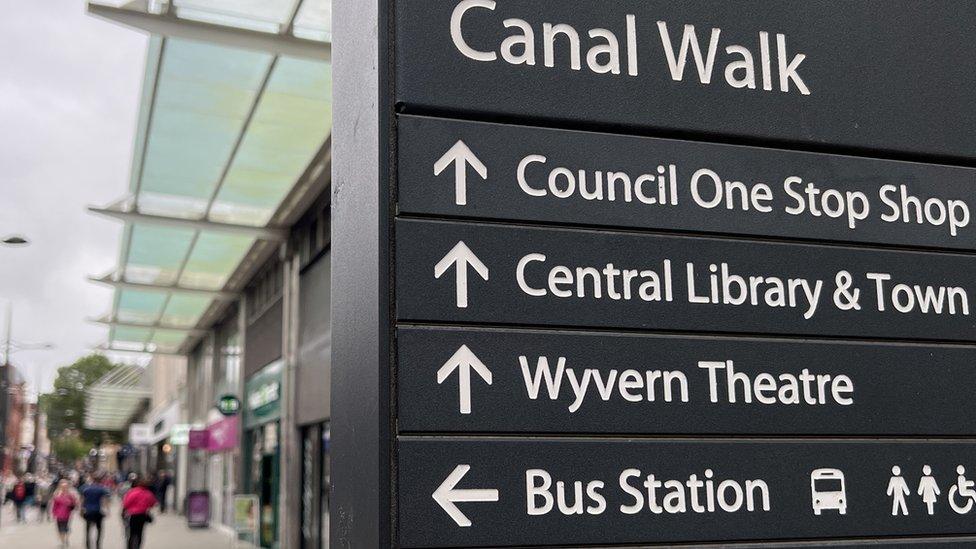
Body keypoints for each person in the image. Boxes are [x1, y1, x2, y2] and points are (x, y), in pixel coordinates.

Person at [122, 478, 157, 549]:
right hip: (142, 515)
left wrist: (124, 512)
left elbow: (126, 503)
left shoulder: (132, 492)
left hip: (133, 515)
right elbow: (153, 503)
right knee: (140, 532)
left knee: (132, 533)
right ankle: (138, 546)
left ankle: (130, 547)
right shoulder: (148, 493)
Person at [80, 474, 111, 549]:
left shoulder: (86, 488)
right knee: (99, 529)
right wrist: (108, 510)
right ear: (100, 480)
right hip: (98, 511)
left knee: (88, 529)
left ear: (92, 480)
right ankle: (98, 544)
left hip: (88, 511)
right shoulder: (102, 489)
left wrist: (81, 509)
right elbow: (104, 500)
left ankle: (88, 545)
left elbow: (82, 499)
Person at [51, 480, 79, 548]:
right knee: (60, 529)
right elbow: (54, 505)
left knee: (65, 528)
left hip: (67, 515)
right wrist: (53, 513)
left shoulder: (70, 495)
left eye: (65, 487)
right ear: (60, 487)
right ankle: (63, 542)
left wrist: (73, 504)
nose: (64, 488)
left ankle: (65, 540)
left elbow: (75, 503)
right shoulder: (57, 494)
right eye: (62, 487)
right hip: (59, 515)